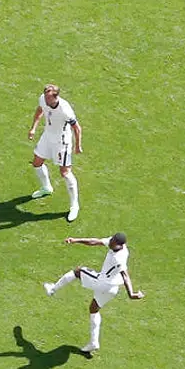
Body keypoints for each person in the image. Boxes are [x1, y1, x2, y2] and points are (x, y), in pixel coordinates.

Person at [44, 233, 145, 355]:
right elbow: (94, 241)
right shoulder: (117, 246)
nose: (110, 241)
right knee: (93, 309)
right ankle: (93, 342)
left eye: (113, 241)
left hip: (102, 283)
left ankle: (52, 290)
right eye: (111, 239)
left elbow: (125, 276)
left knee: (78, 271)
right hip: (112, 289)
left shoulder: (118, 259)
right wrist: (76, 240)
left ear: (119, 245)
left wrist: (131, 294)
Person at [28, 83, 82, 222]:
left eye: (48, 98)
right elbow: (40, 110)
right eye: (45, 96)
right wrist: (33, 128)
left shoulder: (65, 110)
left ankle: (74, 205)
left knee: (65, 172)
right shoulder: (43, 99)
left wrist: (77, 146)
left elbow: (77, 128)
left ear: (55, 97)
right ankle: (46, 187)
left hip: (62, 142)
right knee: (36, 163)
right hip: (47, 137)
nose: (45, 100)